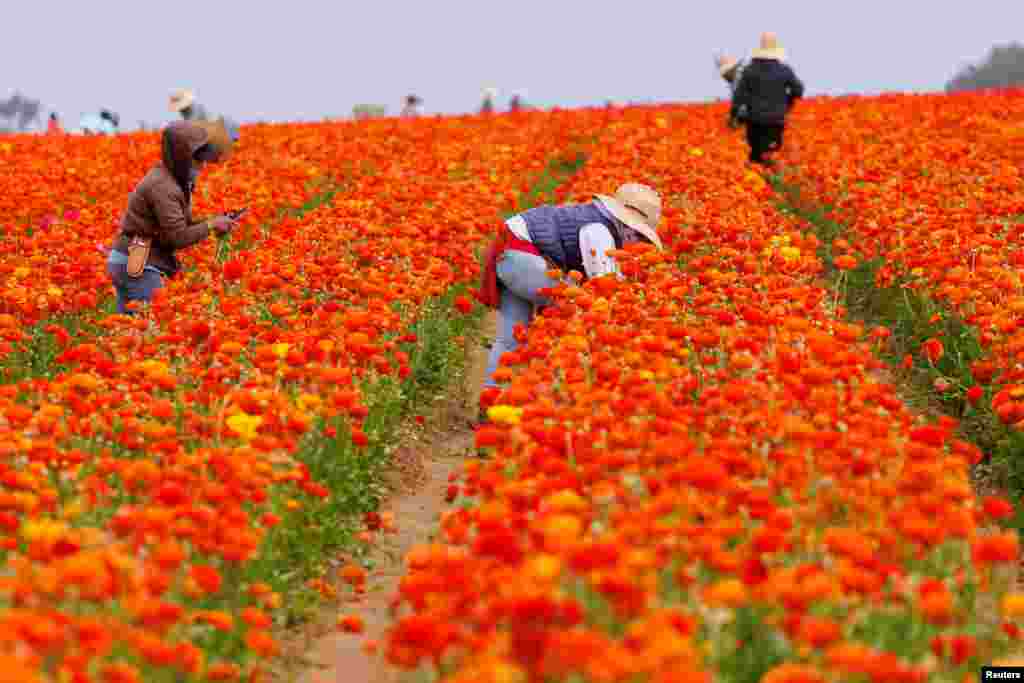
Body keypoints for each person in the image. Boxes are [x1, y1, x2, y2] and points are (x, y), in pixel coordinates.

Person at [477, 183, 663, 404]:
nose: (638, 244)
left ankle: (490, 402)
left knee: (510, 339)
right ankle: (557, 391)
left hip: (509, 257)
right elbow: (604, 284)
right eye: (640, 237)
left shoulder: (591, 217)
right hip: (524, 259)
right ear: (626, 226)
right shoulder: (599, 230)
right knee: (572, 315)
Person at [106, 120, 238, 314]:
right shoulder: (163, 186)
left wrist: (215, 221)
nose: (202, 166)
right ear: (181, 158)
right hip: (137, 260)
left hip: (132, 257)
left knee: (128, 327)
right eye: (197, 160)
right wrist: (211, 225)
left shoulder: (169, 178)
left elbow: (180, 225)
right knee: (150, 326)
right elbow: (177, 236)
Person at [730, 32, 804, 166]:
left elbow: (738, 96)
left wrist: (733, 116)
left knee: (756, 154)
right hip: (776, 119)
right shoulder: (784, 70)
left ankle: (759, 180)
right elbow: (798, 90)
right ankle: (770, 176)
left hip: (754, 120)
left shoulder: (749, 70)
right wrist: (787, 102)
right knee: (772, 152)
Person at [716, 54, 748, 128]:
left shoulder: (738, 78)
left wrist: (732, 117)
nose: (725, 78)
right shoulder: (744, 71)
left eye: (725, 75)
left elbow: (738, 101)